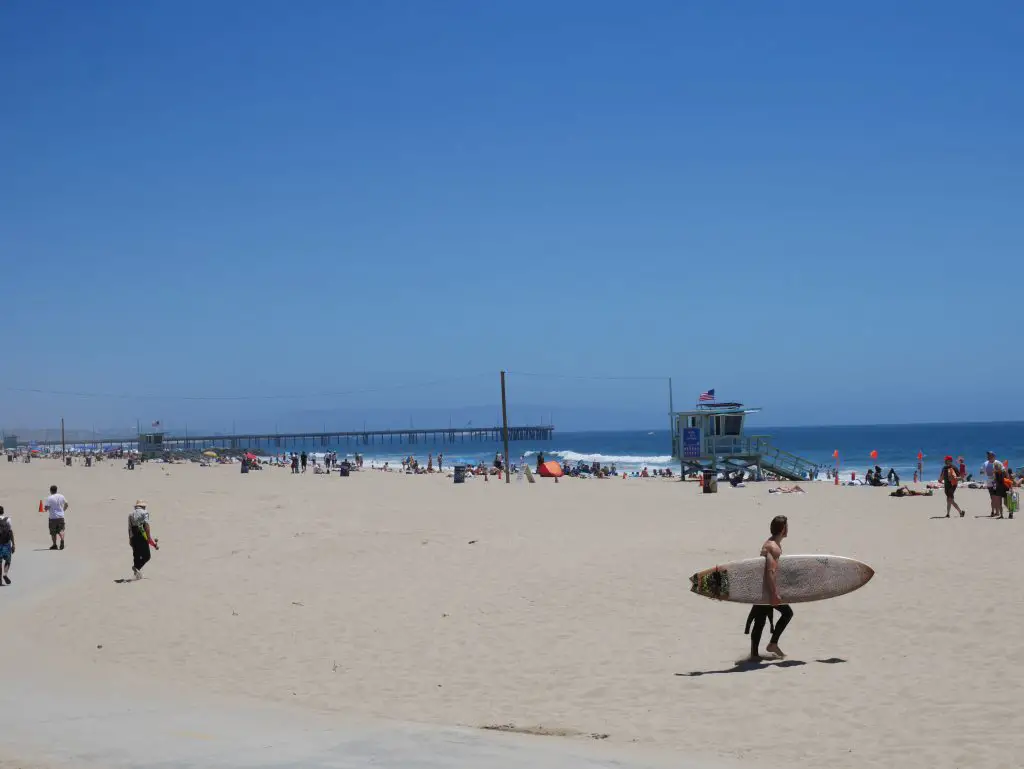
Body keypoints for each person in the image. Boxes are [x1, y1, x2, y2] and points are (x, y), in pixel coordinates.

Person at [746, 515, 793, 660]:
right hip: (767, 589)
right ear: (783, 529)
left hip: (764, 587)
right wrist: (773, 593)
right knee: (786, 613)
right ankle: (769, 645)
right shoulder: (773, 547)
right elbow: (770, 571)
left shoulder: (772, 543)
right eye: (787, 526)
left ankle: (758, 652)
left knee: (760, 620)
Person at [129, 499, 159, 579]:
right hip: (142, 534)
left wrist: (130, 539)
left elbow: (130, 528)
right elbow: (146, 525)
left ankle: (136, 574)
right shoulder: (144, 512)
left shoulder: (131, 514)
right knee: (147, 556)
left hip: (134, 536)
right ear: (143, 506)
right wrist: (149, 537)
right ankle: (137, 568)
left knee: (136, 555)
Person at [45, 484, 68, 550]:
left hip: (53, 517)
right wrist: (63, 510)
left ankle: (54, 545)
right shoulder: (61, 496)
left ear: (50, 491)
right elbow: (66, 504)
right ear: (56, 490)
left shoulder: (49, 498)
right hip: (61, 517)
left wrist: (46, 508)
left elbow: (47, 508)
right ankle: (62, 540)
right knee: (61, 530)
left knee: (53, 532)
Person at [0, 506, 14, 585]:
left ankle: (0, 580)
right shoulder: (8, 519)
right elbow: (10, 532)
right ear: (3, 511)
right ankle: (5, 574)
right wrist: (13, 544)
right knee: (8, 560)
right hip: (6, 543)